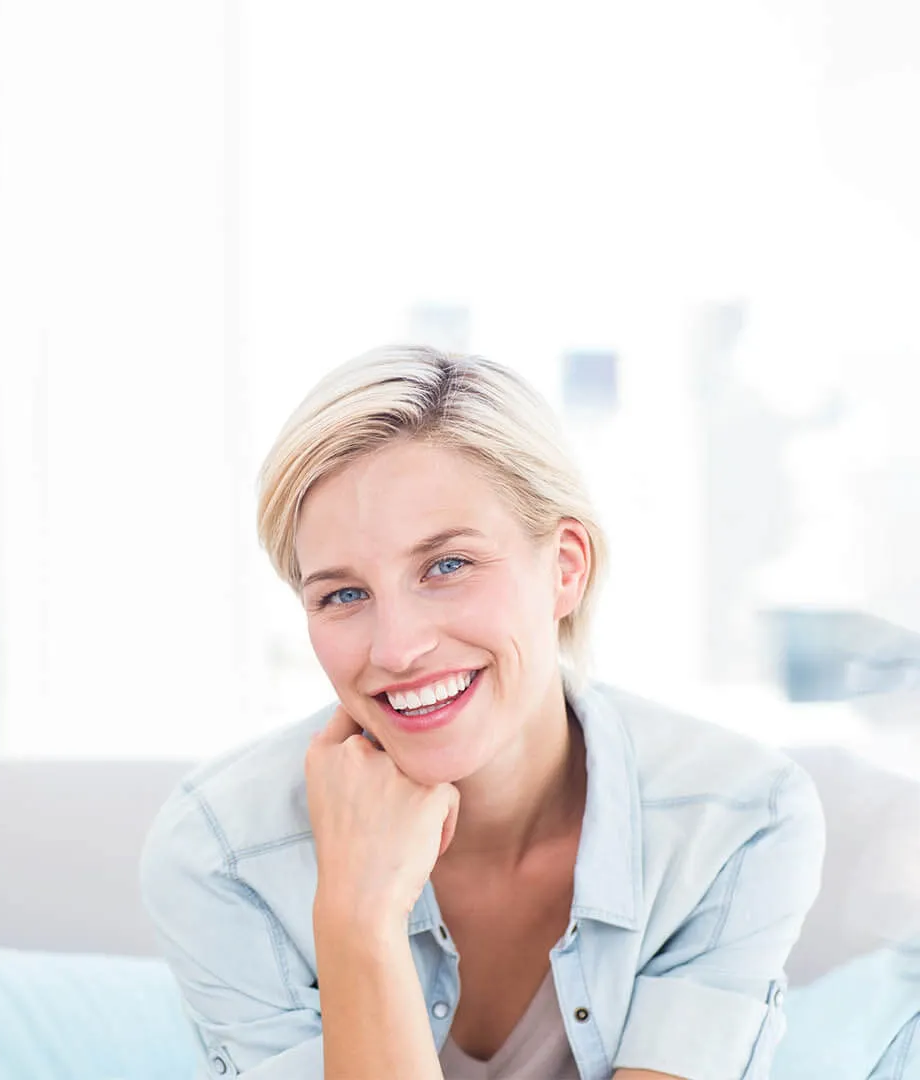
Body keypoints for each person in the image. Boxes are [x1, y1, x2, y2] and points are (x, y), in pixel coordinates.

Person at [138, 345, 826, 1080]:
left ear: (565, 566)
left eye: (447, 566)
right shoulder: (223, 855)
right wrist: (357, 920)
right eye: (342, 594)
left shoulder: (737, 820)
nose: (397, 649)